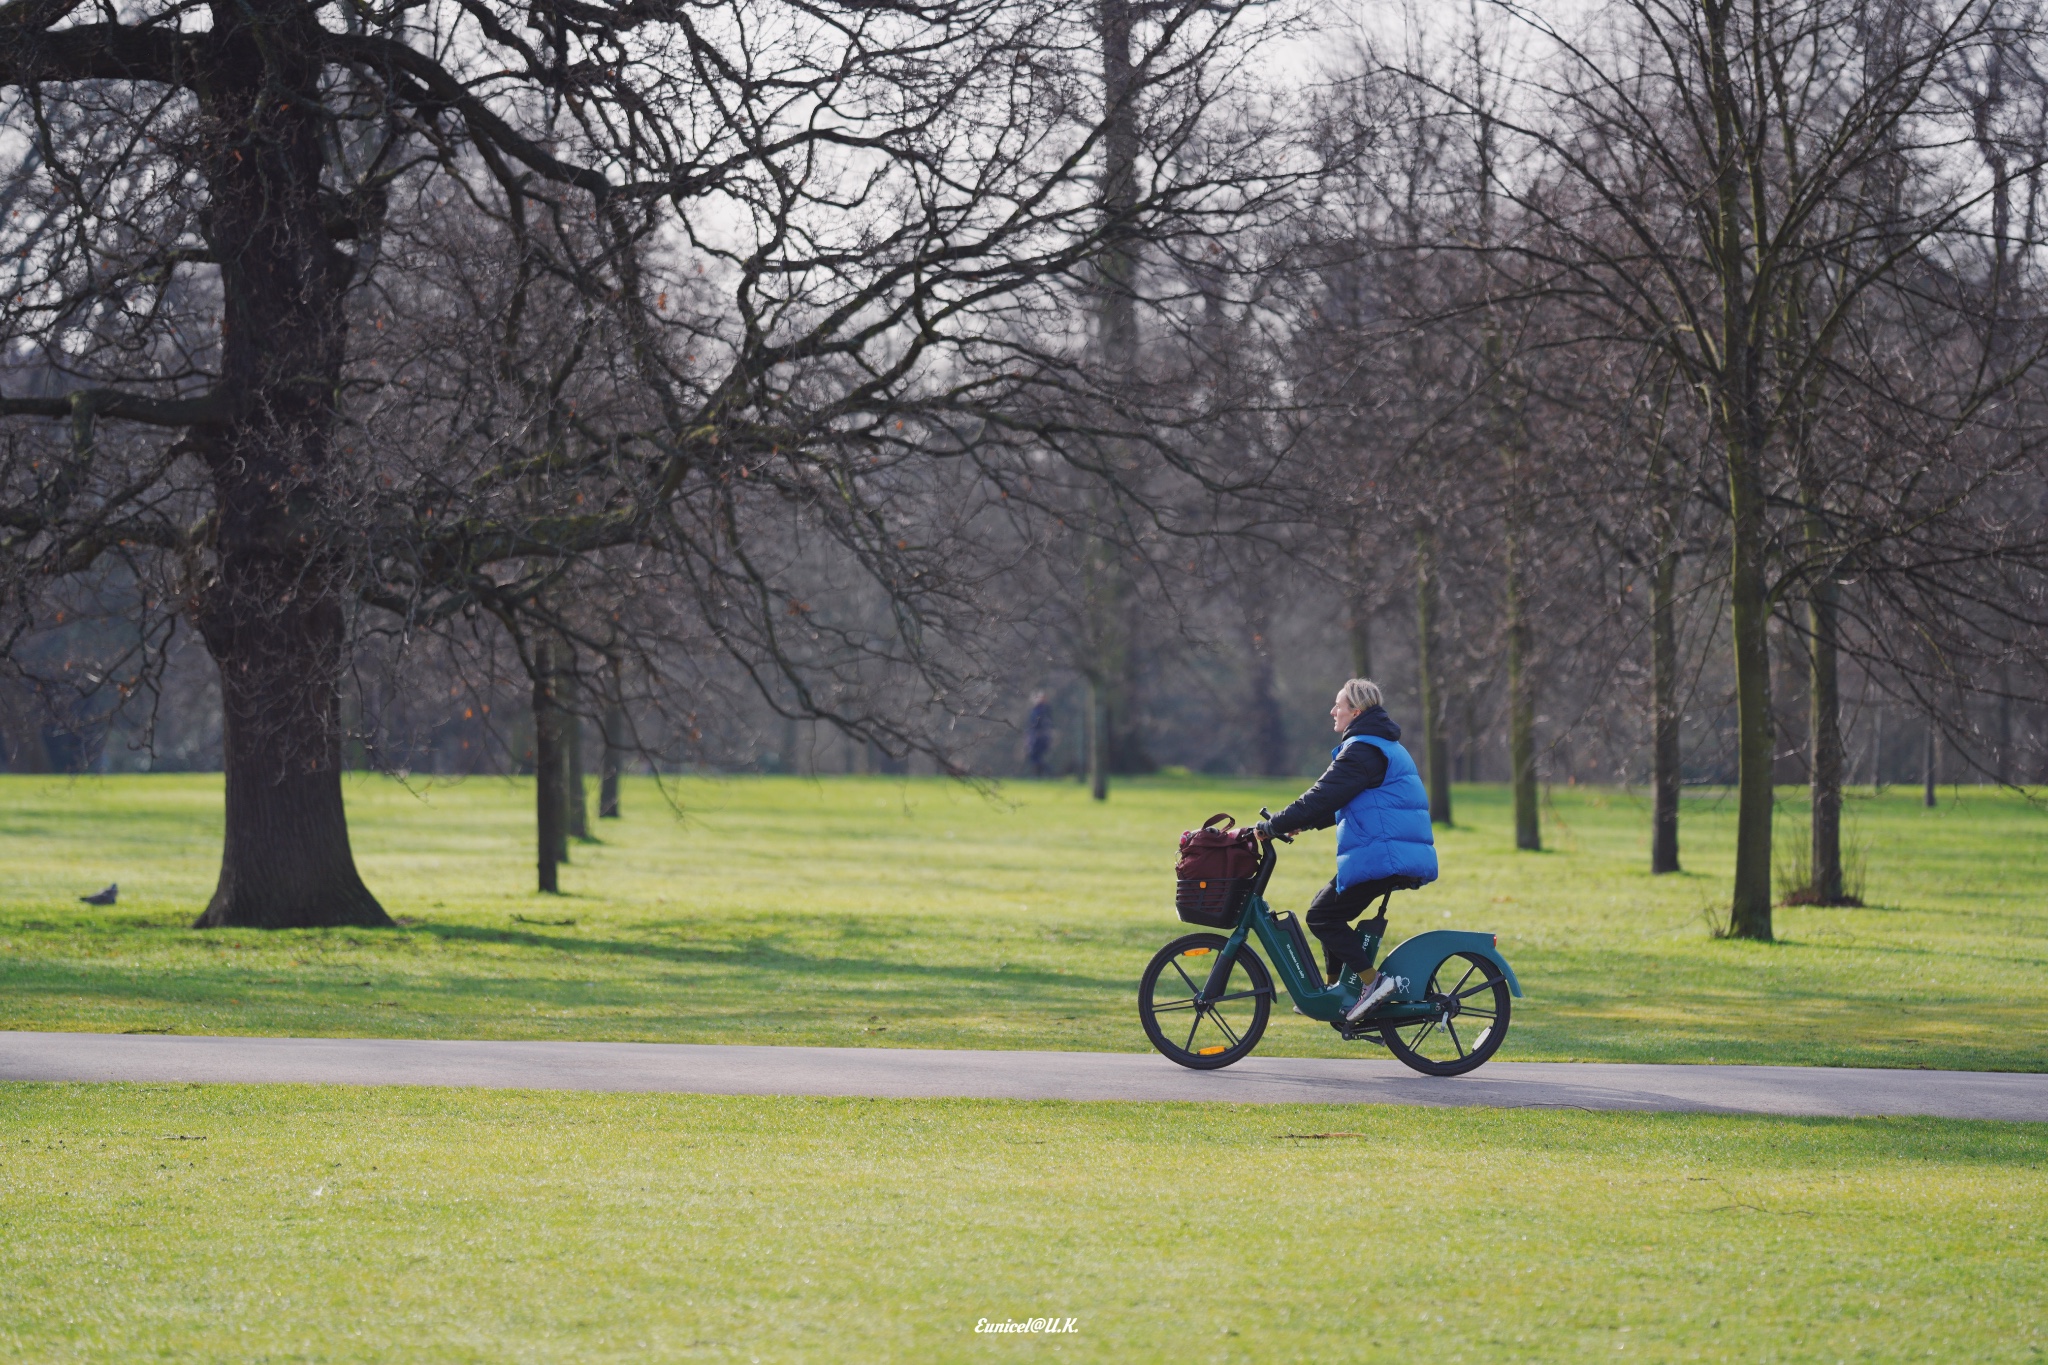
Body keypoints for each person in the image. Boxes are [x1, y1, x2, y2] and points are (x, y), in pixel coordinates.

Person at [1254, 677, 1438, 1022]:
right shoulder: (1377, 745)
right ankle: (1337, 991)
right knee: (1324, 911)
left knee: (1323, 916)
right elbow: (1340, 800)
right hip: (1387, 852)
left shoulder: (1363, 750)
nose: (1332, 711)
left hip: (1386, 855)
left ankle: (1374, 984)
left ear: (1355, 711)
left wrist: (1273, 824)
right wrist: (1300, 823)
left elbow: (1323, 795)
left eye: (1338, 705)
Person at [1025, 691, 1053, 777]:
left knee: (1036, 755)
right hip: (1036, 735)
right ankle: (1040, 774)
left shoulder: (1043, 710)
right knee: (1035, 756)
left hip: (1039, 736)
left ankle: (1047, 772)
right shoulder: (1036, 709)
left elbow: (1043, 723)